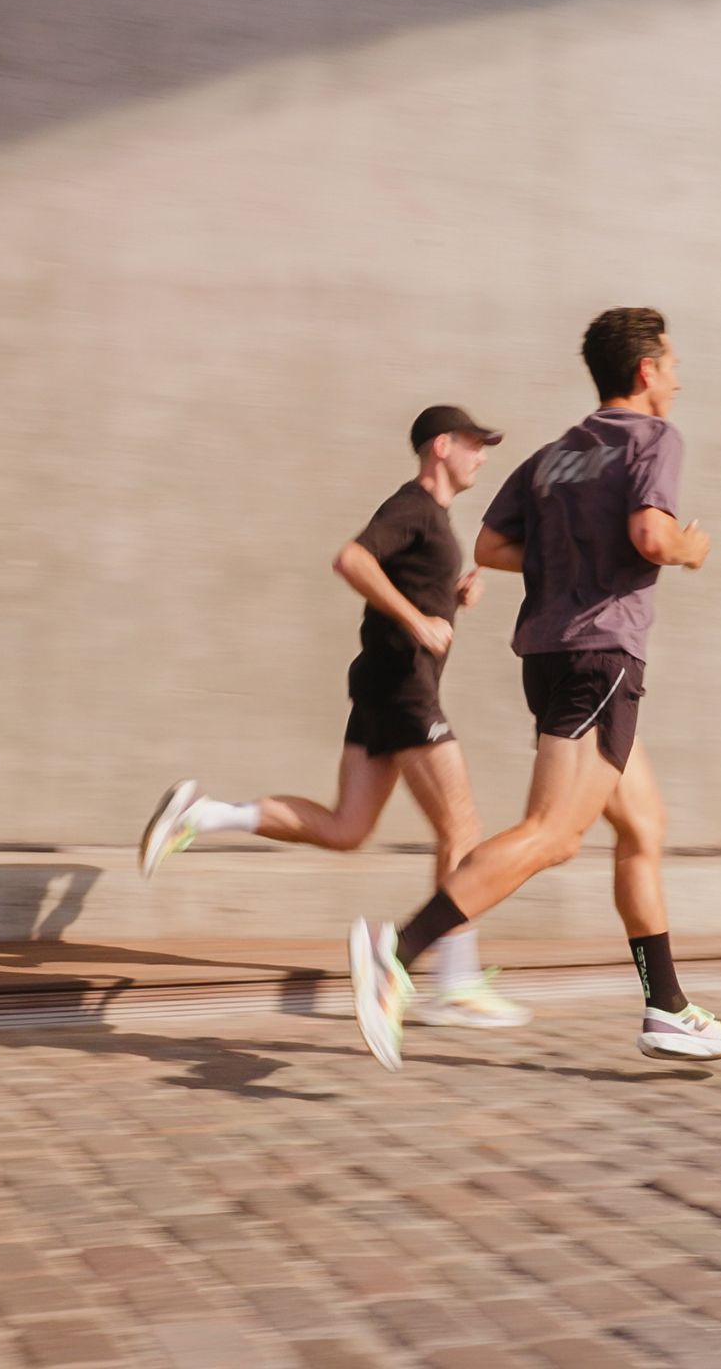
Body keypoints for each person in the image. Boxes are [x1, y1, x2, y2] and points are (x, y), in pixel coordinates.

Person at [348, 309, 721, 1070]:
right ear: (645, 371)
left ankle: (666, 1008)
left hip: (551, 655)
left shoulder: (555, 455)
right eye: (671, 364)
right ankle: (397, 953)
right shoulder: (653, 439)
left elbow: (492, 545)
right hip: (602, 657)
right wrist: (691, 549)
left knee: (642, 826)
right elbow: (653, 537)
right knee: (553, 833)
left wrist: (571, 554)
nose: (677, 377)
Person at [138, 405, 529, 1028]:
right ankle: (451, 982)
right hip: (404, 688)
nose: (483, 456)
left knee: (348, 827)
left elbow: (401, 579)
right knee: (462, 828)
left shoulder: (430, 520)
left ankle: (202, 813)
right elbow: (352, 560)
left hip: (381, 685)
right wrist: (416, 619)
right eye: (476, 444)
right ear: (442, 445)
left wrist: (448, 598)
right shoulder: (413, 506)